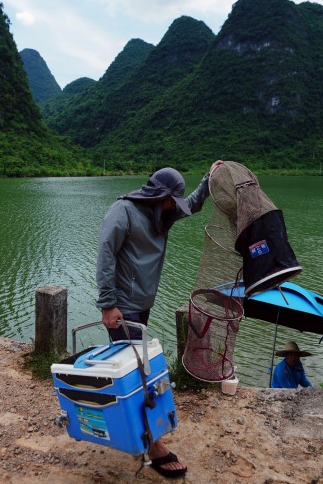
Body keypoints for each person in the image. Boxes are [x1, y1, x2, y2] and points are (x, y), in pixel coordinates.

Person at [96, 161, 221, 479]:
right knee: (140, 374)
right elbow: (105, 254)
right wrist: (108, 304)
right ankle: (153, 448)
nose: (173, 207)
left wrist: (208, 178)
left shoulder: (161, 215)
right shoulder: (123, 211)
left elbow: (191, 204)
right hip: (124, 308)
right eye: (171, 200)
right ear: (159, 194)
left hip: (142, 306)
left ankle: (126, 425)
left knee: (137, 370)